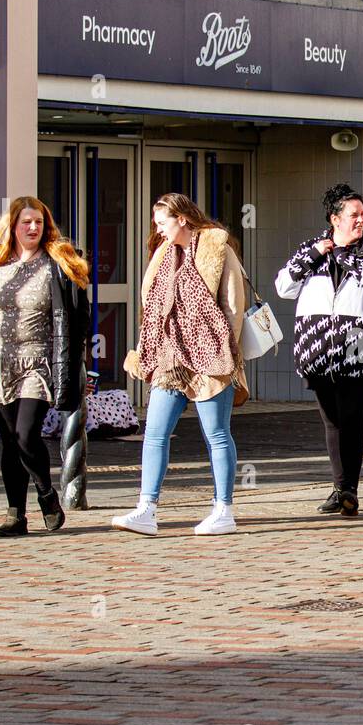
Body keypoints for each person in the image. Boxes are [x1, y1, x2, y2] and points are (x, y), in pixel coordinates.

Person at [0, 196, 90, 537]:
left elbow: (78, 319)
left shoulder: (57, 265)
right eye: (26, 222)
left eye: (39, 222)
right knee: (10, 441)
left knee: (26, 433)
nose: (33, 228)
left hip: (37, 362)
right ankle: (16, 515)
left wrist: (73, 361)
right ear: (12, 226)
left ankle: (46, 494)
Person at [111, 194, 248, 537]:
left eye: (163, 223)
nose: (157, 230)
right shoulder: (163, 255)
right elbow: (151, 305)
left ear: (182, 219)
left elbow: (233, 306)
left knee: (216, 433)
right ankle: (146, 509)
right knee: (155, 433)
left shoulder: (218, 249)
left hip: (211, 354)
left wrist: (221, 349)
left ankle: (223, 509)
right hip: (169, 355)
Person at [277, 183, 363, 516]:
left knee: (352, 418)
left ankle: (350, 491)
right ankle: (340, 487)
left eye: (362, 214)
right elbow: (284, 287)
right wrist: (315, 255)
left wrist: (348, 258)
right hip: (317, 348)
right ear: (334, 218)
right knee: (332, 421)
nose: (360, 219)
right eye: (353, 214)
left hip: (361, 346)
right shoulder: (312, 249)